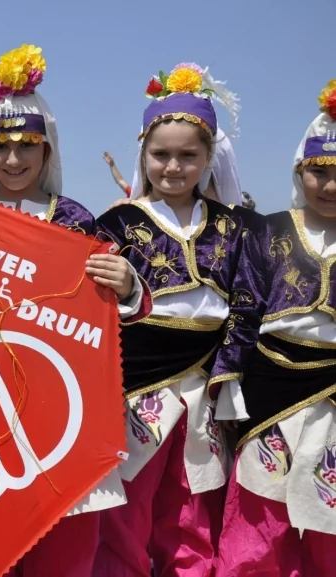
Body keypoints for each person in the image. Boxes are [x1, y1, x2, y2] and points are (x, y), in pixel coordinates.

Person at [0, 42, 151, 577]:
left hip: (61, 413)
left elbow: (121, 317)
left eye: (28, 144)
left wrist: (128, 286)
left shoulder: (78, 221)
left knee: (66, 553)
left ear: (48, 150)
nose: (13, 158)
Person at [91, 63, 261, 576]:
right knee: (125, 516)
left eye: (189, 156)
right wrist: (126, 290)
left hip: (205, 393)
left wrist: (227, 382)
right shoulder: (117, 223)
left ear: (210, 158)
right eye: (161, 154)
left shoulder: (236, 228)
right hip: (136, 394)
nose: (174, 167)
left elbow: (249, 304)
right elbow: (88, 306)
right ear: (142, 154)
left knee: (192, 517)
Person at [216, 79, 336, 576]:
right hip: (270, 393)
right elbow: (242, 310)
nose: (329, 186)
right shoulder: (266, 230)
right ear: (299, 171)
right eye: (318, 172)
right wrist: (227, 384)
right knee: (259, 525)